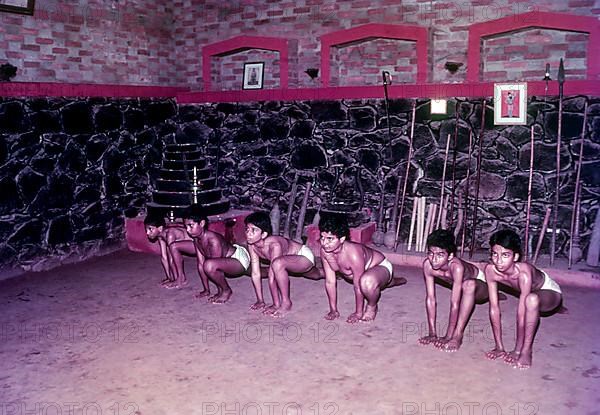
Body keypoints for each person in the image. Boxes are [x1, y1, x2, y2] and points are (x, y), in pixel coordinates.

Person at [483, 229, 563, 369]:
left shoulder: (523, 273)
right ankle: (501, 347)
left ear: (515, 257)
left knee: (530, 301)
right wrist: (499, 347)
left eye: (505, 255)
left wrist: (518, 350)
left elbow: (521, 314)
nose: (499, 260)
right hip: (531, 293)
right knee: (529, 299)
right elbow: (494, 308)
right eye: (495, 254)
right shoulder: (490, 270)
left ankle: (527, 351)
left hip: (549, 291)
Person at [319, 213, 406, 323]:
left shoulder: (353, 253)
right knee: (367, 281)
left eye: (330, 239)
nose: (325, 243)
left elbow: (357, 285)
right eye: (322, 237)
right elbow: (330, 281)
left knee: (366, 282)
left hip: (380, 266)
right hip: (365, 274)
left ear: (342, 239)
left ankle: (372, 306)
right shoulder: (325, 251)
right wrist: (333, 310)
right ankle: (394, 281)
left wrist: (358, 313)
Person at [418, 229, 491, 351]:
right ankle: (497, 295)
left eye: (440, 255)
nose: (434, 259)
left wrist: (448, 336)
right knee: (464, 286)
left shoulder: (456, 267)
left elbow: (455, 304)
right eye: (430, 253)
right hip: (459, 286)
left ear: (450, 256)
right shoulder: (427, 265)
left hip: (479, 283)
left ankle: (458, 335)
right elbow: (430, 299)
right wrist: (432, 334)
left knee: (469, 285)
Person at [244, 211, 322, 315]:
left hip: (303, 256)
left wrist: (276, 304)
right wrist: (260, 300)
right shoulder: (252, 244)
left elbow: (272, 277)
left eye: (254, 230)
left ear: (264, 234)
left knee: (277, 264)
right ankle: (334, 273)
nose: (249, 233)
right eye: (247, 229)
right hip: (289, 261)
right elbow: (255, 273)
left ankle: (286, 303)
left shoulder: (274, 245)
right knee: (316, 275)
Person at [171, 204, 250, 303]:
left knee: (209, 265)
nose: (187, 230)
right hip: (226, 261)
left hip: (238, 258)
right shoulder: (196, 238)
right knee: (206, 264)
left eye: (191, 226)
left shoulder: (213, 240)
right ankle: (217, 290)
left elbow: (216, 268)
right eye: (186, 226)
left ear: (202, 223)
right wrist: (206, 289)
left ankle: (226, 291)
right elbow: (200, 264)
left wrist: (220, 292)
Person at [144, 214, 195, 288]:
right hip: (183, 247)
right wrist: (169, 278)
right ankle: (174, 278)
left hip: (196, 246)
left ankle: (181, 279)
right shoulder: (161, 236)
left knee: (173, 248)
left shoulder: (170, 234)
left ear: (160, 228)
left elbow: (172, 258)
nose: (147, 233)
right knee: (171, 250)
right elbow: (164, 257)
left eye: (150, 229)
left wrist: (177, 279)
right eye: (146, 230)